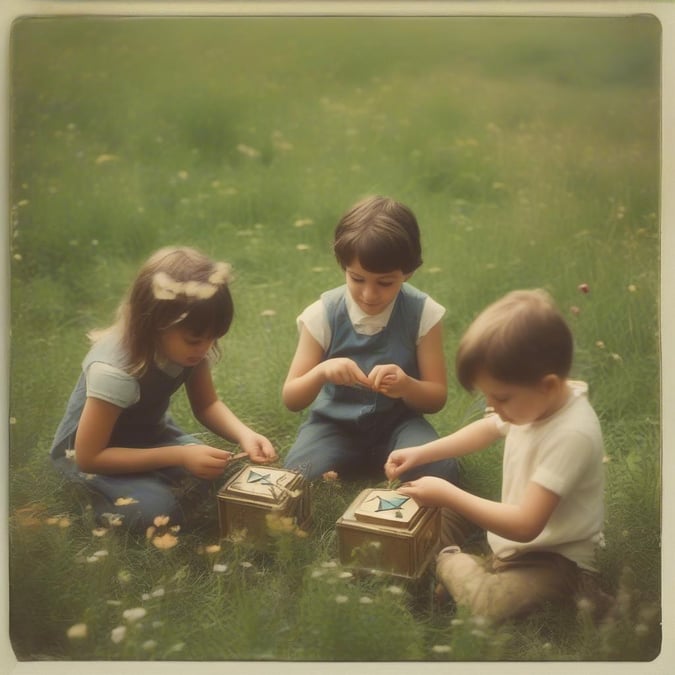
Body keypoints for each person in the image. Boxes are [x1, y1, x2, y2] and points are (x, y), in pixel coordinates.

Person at [385, 289, 610, 623]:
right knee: (424, 514)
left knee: (487, 605)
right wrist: (421, 452)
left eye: (501, 398)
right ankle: (459, 562)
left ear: (547, 385)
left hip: (554, 558)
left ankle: (448, 561)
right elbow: (488, 428)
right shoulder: (535, 402)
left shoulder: (571, 434)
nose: (495, 408)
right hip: (510, 538)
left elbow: (525, 525)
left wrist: (449, 493)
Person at [50, 246, 277, 531]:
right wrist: (180, 456)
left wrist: (245, 434)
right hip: (94, 457)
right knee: (157, 514)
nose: (205, 348)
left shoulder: (191, 348)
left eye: (212, 337)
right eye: (195, 340)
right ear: (154, 324)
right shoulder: (115, 371)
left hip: (150, 437)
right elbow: (90, 457)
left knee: (222, 471)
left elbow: (207, 405)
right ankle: (97, 497)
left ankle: (160, 480)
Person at [282, 195, 458, 484]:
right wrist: (321, 372)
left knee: (441, 469)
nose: (369, 294)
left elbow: (436, 398)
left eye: (385, 282)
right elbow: (292, 398)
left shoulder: (424, 313)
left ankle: (375, 461)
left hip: (400, 424)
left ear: (409, 272)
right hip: (333, 425)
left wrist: (406, 385)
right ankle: (353, 461)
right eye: (357, 279)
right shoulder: (322, 315)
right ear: (344, 268)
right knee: (299, 474)